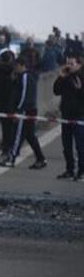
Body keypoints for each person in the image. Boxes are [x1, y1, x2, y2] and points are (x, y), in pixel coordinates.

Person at [0, 56, 47, 169]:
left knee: (17, 135)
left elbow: (24, 94)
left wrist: (19, 110)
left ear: (21, 65)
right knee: (30, 136)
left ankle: (11, 158)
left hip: (25, 110)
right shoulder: (23, 76)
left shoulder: (25, 77)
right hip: (29, 109)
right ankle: (40, 158)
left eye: (16, 66)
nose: (15, 68)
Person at [53, 53, 84, 181]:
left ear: (79, 64)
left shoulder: (82, 77)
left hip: (80, 116)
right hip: (66, 115)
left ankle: (81, 172)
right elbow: (56, 91)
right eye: (68, 63)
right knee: (67, 146)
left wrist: (80, 89)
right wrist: (60, 77)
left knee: (80, 145)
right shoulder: (66, 77)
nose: (69, 66)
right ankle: (69, 170)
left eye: (72, 64)